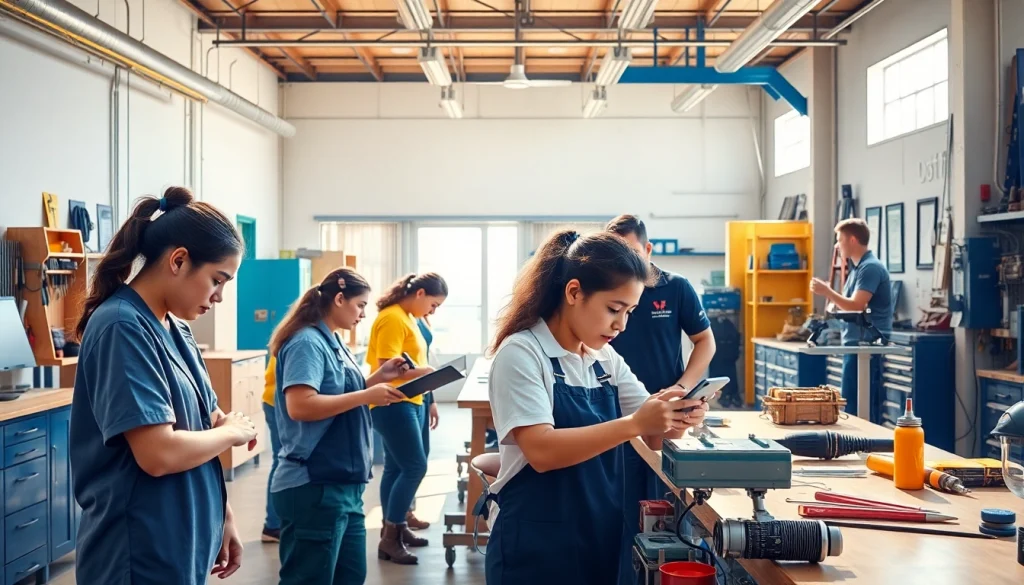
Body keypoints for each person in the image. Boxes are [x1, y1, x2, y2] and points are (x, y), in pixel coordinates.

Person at [485, 230, 709, 585]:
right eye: (613, 309)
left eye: (630, 312)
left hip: (597, 535)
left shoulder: (604, 358)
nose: (621, 325)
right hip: (535, 544)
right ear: (574, 292)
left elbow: (655, 438)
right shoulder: (522, 353)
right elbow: (541, 451)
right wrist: (635, 423)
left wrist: (679, 417)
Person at [70, 187, 258, 584]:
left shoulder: (177, 329)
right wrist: (232, 432)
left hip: (182, 540)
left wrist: (223, 515)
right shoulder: (121, 326)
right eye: (217, 280)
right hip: (137, 552)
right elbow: (158, 453)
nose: (220, 297)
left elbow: (206, 424)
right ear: (179, 260)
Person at [268, 267, 409, 585]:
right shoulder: (306, 342)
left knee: (351, 575)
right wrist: (366, 395)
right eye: (360, 305)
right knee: (310, 578)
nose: (363, 314)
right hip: (314, 485)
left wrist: (378, 378)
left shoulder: (332, 339)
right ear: (340, 299)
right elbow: (300, 406)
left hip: (344, 483)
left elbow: (339, 395)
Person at [605, 214, 717, 585]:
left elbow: (705, 341)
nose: (626, 264)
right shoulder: (606, 292)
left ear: (648, 249)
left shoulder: (676, 287)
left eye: (633, 253)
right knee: (618, 508)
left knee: (664, 507)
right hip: (615, 415)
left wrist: (683, 387)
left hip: (667, 420)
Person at [367, 273, 448, 564]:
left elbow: (418, 360)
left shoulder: (410, 317)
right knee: (415, 466)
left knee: (396, 467)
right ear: (420, 293)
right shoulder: (392, 318)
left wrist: (431, 398)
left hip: (414, 399)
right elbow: (386, 368)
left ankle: (396, 526)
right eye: (433, 304)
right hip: (393, 402)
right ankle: (391, 537)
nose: (433, 311)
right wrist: (425, 374)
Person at [810, 218, 893, 415]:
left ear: (853, 240)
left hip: (866, 346)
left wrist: (827, 291)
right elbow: (849, 305)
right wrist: (834, 304)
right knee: (851, 404)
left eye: (840, 240)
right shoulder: (858, 269)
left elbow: (857, 305)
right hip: (855, 343)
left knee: (862, 406)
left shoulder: (870, 268)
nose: (837, 246)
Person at [260, 355, 282, 543]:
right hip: (279, 403)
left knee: (281, 460)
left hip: (274, 400)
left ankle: (274, 524)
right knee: (282, 461)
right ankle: (273, 525)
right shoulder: (301, 340)